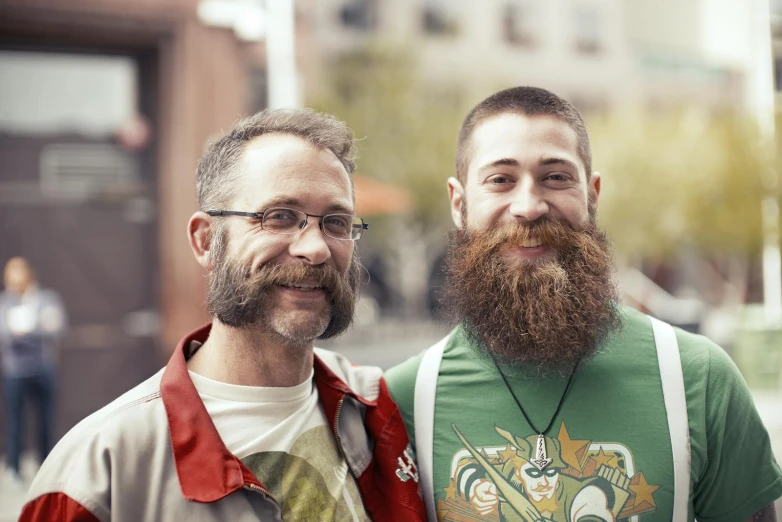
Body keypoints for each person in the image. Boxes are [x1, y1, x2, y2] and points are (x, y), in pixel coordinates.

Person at [385, 87, 782, 521]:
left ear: (592, 195)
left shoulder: (699, 380)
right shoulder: (400, 402)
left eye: (556, 177)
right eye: (500, 180)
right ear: (459, 204)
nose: (529, 206)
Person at [21, 109, 426, 521]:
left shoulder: (381, 408)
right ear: (205, 240)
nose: (316, 248)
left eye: (336, 222)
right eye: (280, 217)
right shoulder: (99, 472)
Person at [0, 257, 66, 489]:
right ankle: (14, 469)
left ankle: (46, 466)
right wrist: (35, 331)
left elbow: (56, 326)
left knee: (45, 421)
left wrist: (26, 333)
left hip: (42, 368)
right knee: (15, 422)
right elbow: (5, 334)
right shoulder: (5, 303)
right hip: (16, 371)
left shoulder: (46, 299)